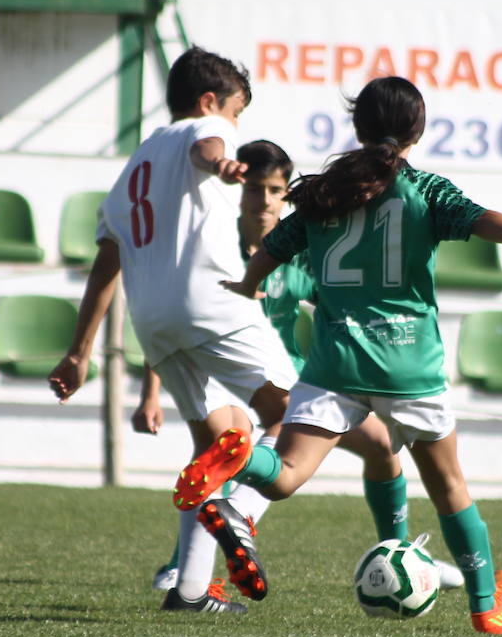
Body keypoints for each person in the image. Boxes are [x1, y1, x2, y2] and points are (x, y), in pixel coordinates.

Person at [173, 76, 502, 634]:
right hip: (407, 366)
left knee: (287, 474)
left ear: (358, 127)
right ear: (418, 130)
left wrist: (250, 283)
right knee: (449, 487)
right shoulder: (424, 190)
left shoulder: (327, 192)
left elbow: (275, 246)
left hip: (335, 364)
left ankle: (243, 458)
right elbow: (481, 219)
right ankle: (485, 604)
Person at [142, 139, 462, 592]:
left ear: (286, 194)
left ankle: (400, 557)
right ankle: (186, 564)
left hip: (291, 381)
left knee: (382, 447)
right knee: (226, 445)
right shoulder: (212, 250)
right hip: (229, 383)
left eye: (275, 190)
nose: (265, 200)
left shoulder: (303, 249)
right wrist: (151, 392)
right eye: (254, 188)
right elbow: (173, 322)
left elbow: (346, 298)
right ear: (237, 191)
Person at [48, 46, 296, 614]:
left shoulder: (134, 166)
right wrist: (222, 164)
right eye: (236, 112)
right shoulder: (209, 131)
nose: (235, 125)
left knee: (216, 441)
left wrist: (79, 352)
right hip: (210, 300)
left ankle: (189, 590)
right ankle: (241, 515)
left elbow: (106, 262)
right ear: (210, 102)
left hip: (152, 320)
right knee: (295, 416)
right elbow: (208, 146)